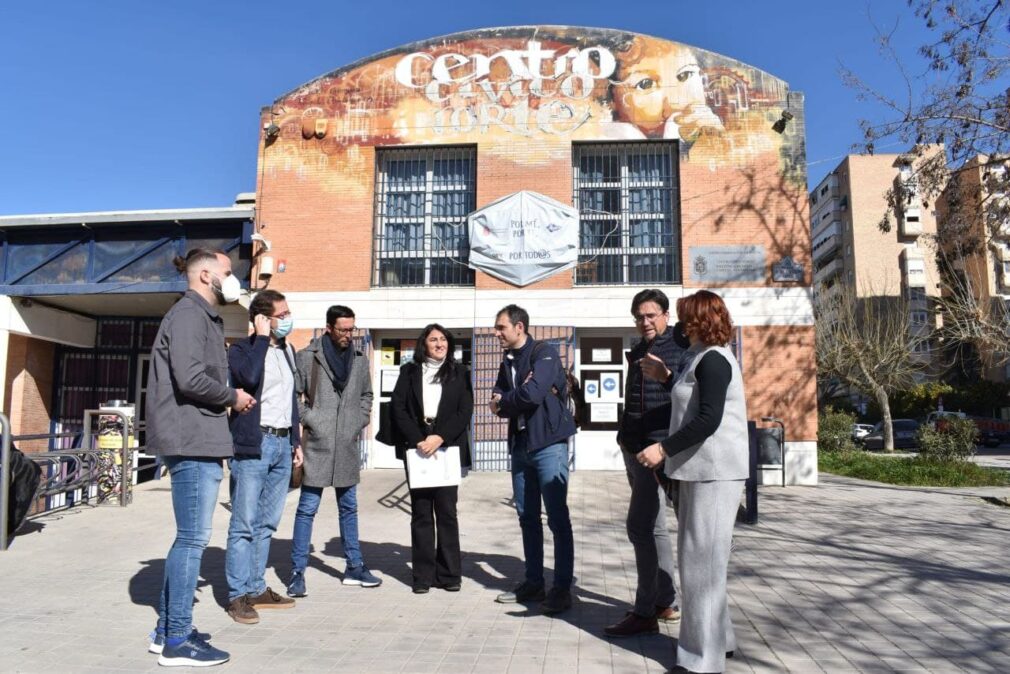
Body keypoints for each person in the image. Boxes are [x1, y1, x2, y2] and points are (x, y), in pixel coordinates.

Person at [145, 248, 255, 667]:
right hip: (191, 440)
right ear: (206, 274)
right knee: (192, 539)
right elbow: (190, 379)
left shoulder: (199, 315)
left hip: (198, 437)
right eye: (228, 272)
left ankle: (165, 632)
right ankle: (177, 638)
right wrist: (233, 396)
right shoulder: (190, 315)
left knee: (188, 537)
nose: (234, 279)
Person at [635, 290, 748, 674]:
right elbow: (692, 404)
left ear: (700, 320)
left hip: (714, 475)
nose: (680, 325)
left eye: (685, 318)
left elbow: (708, 419)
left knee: (702, 567)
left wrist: (662, 450)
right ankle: (721, 642)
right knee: (704, 564)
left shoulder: (714, 360)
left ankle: (703, 661)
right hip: (699, 473)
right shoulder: (697, 358)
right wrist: (667, 378)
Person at [605, 289, 686, 638]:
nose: (645, 321)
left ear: (666, 315)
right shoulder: (637, 349)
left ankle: (645, 612)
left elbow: (689, 396)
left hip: (664, 449)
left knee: (639, 528)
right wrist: (624, 435)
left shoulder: (681, 346)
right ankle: (665, 602)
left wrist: (667, 375)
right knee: (654, 528)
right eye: (639, 316)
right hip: (635, 448)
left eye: (651, 315)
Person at [489, 304, 577, 615]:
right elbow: (496, 396)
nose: (496, 332)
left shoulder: (545, 353)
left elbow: (533, 394)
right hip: (521, 446)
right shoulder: (508, 360)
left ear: (519, 327)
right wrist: (507, 399)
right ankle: (534, 581)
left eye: (501, 327)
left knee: (557, 518)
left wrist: (507, 401)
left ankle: (562, 588)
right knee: (527, 517)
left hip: (548, 444)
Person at [287, 305, 378, 596]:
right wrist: (311, 420)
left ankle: (354, 566)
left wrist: (358, 420)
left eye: (351, 329)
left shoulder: (360, 359)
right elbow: (293, 397)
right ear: (329, 327)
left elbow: (367, 395)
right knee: (307, 509)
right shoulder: (307, 357)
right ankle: (297, 571)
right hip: (317, 444)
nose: (348, 335)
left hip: (347, 445)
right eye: (343, 329)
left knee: (349, 508)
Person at [224, 289, 302, 624]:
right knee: (243, 524)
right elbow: (249, 378)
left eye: (287, 313)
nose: (287, 319)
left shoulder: (288, 351)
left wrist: (296, 439)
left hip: (282, 444)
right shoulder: (241, 350)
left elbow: (292, 400)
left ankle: (257, 587)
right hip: (254, 443)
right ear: (261, 319)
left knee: (267, 523)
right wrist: (260, 338)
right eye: (280, 315)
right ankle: (237, 595)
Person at [390, 324, 473, 594]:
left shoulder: (460, 372)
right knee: (421, 512)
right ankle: (423, 577)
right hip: (417, 447)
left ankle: (449, 575)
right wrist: (419, 440)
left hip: (446, 446)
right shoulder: (409, 371)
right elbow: (398, 408)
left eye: (443, 339)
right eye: (433, 339)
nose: (439, 344)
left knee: (447, 512)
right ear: (423, 344)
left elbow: (464, 411)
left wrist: (439, 438)